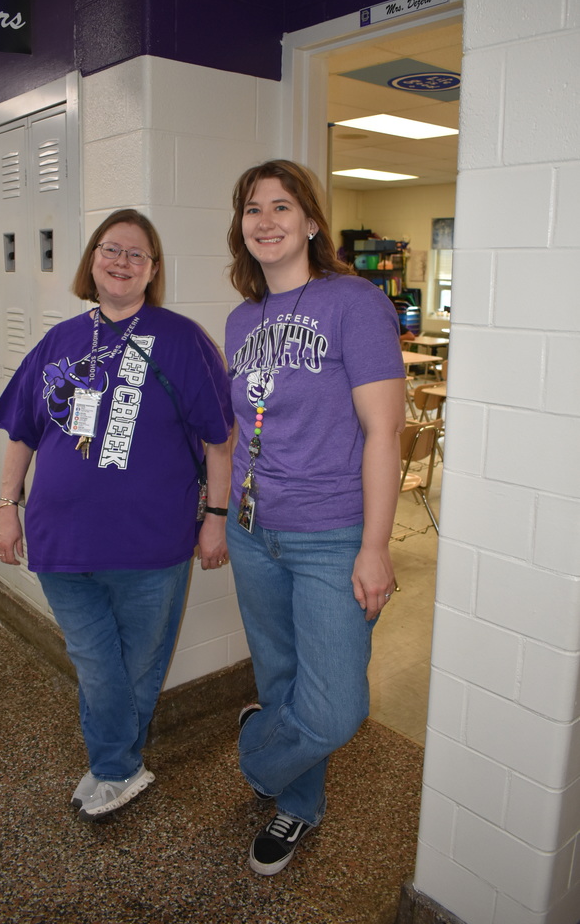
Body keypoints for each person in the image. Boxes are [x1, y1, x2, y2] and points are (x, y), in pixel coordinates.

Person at [0, 209, 232, 821]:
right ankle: (118, 766)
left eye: (136, 254)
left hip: (152, 543)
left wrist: (216, 518)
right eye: (110, 249)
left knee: (139, 666)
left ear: (153, 269)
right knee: (97, 663)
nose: (121, 261)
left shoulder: (182, 339)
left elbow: (218, 439)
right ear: (92, 260)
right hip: (60, 541)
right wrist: (7, 508)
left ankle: (113, 766)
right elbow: (21, 432)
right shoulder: (59, 341)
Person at [224, 160, 406, 876]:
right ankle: (298, 803)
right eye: (252, 208)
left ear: (309, 222)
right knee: (279, 677)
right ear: (240, 226)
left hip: (331, 536)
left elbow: (384, 432)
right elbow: (245, 428)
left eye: (281, 206)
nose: (265, 220)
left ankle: (257, 753)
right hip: (252, 531)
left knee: (333, 709)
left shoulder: (353, 302)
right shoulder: (241, 319)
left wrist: (375, 546)